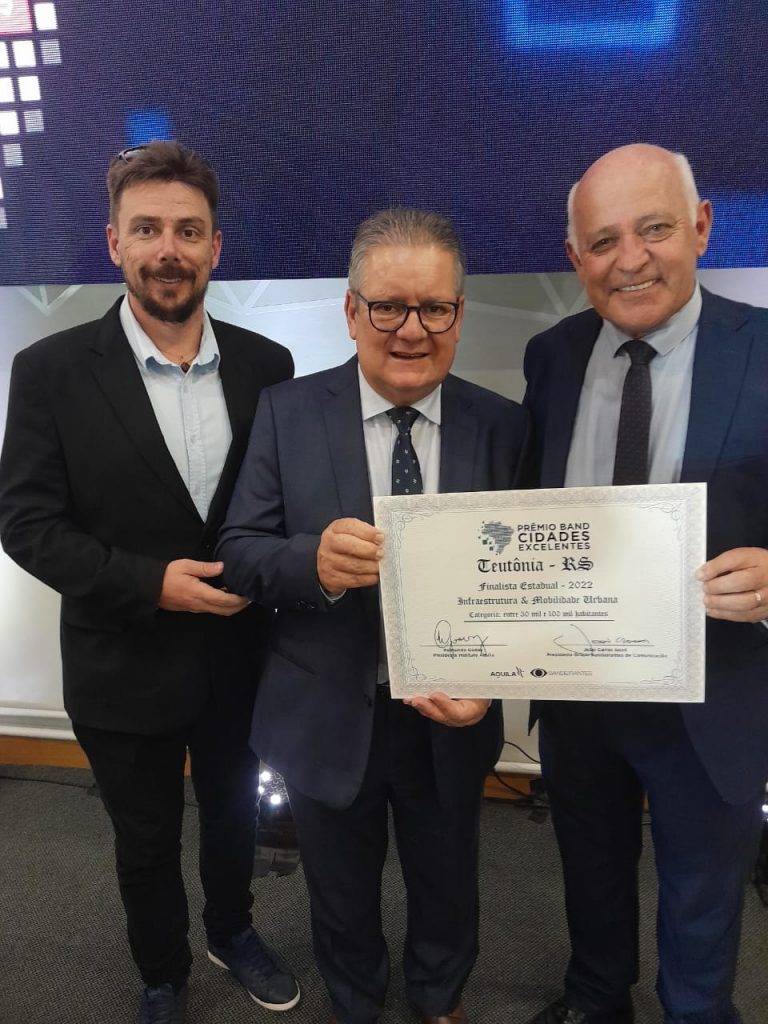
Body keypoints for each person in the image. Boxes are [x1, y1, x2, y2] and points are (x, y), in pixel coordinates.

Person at [0, 141, 299, 1023]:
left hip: (242, 658)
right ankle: (163, 972)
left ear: (216, 247)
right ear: (114, 243)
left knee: (234, 815)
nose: (169, 249)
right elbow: (26, 524)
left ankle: (231, 930)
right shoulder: (49, 372)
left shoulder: (270, 365)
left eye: (188, 231)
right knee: (145, 838)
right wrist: (148, 584)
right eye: (147, 229)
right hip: (120, 661)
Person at [217, 208, 528, 1024]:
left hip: (451, 713)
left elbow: (530, 583)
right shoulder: (286, 412)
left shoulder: (504, 426)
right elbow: (239, 552)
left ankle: (438, 999)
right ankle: (355, 1002)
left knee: (448, 879)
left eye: (434, 308)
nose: (411, 329)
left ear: (460, 314)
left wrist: (495, 680)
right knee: (340, 890)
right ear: (351, 311)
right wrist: (310, 563)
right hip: (325, 709)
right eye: (388, 306)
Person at [522, 143, 768, 1024]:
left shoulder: (765, 348)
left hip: (710, 693)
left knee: (702, 897)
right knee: (590, 867)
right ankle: (596, 996)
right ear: (575, 256)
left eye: (654, 229)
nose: (630, 259)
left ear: (701, 228)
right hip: (580, 689)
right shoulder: (551, 355)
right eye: (603, 241)